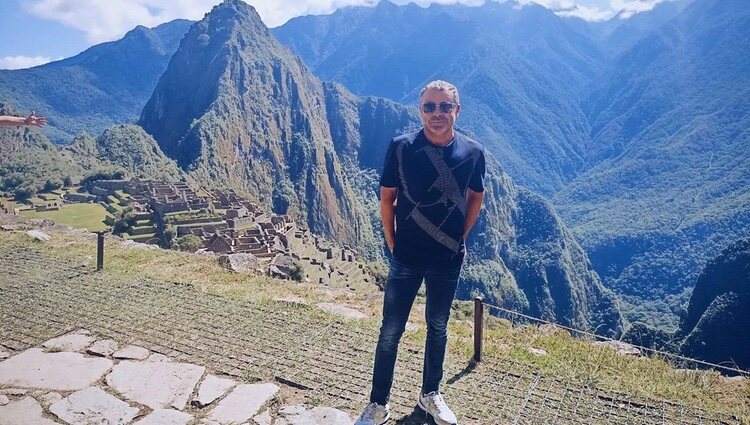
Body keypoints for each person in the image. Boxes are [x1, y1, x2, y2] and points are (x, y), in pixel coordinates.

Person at [355, 80, 486, 425]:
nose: (437, 113)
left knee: (438, 326)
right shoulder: (401, 148)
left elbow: (476, 197)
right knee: (390, 330)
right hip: (407, 257)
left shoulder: (472, 153)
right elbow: (387, 198)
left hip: (447, 258)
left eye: (445, 106)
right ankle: (378, 403)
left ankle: (430, 395)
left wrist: (461, 236)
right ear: (420, 110)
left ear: (457, 110)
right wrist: (392, 240)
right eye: (430, 106)